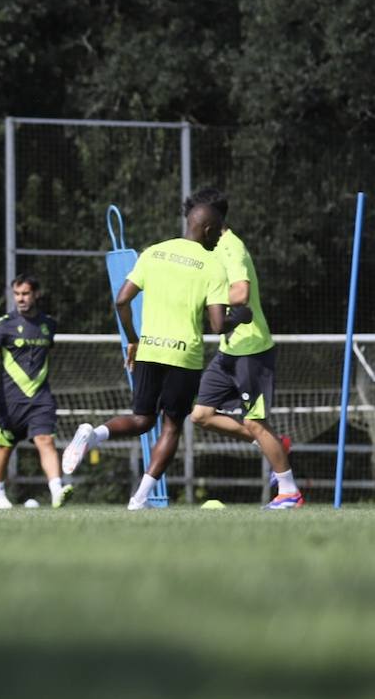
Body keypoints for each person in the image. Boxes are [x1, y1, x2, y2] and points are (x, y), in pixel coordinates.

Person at [62, 198, 250, 508]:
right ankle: (139, 499)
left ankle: (94, 434)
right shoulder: (213, 266)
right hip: (183, 356)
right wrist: (240, 317)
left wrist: (133, 339)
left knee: (141, 419)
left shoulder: (154, 252)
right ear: (205, 228)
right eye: (217, 231)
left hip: (149, 350)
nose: (219, 237)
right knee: (172, 426)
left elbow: (122, 300)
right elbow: (217, 325)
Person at [184, 188, 304, 509]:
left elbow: (241, 291)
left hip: (250, 350)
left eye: (194, 222)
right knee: (201, 414)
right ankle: (272, 444)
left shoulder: (230, 248)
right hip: (229, 351)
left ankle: (289, 492)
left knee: (254, 422)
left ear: (208, 221)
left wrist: (208, 300)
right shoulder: (213, 249)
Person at [0, 275, 72, 509]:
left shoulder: (49, 324)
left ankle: (57, 491)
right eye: (17, 294)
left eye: (25, 294)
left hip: (40, 397)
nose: (21, 299)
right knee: (4, 446)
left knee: (45, 440)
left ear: (36, 294)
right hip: (10, 400)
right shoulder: (4, 324)